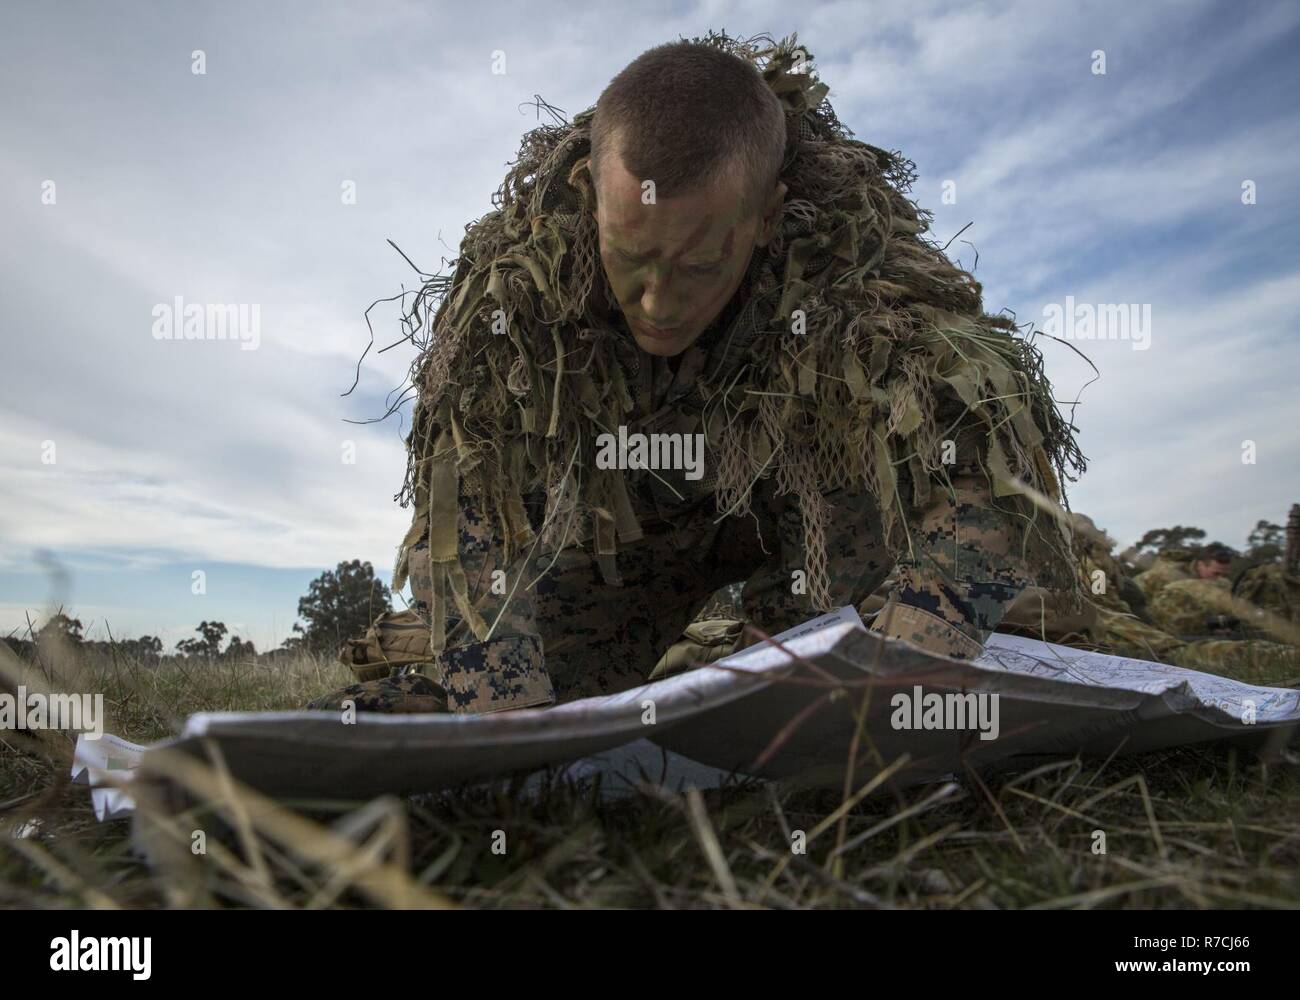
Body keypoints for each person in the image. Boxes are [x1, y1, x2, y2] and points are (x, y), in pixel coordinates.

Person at [309, 33, 1083, 715]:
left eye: (699, 265)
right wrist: (508, 725)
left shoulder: (861, 285)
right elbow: (470, 526)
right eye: (630, 257)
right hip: (626, 537)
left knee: (819, 697)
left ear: (769, 218)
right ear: (588, 195)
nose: (657, 302)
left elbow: (993, 469)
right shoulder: (511, 305)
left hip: (807, 525)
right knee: (519, 689)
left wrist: (906, 671)